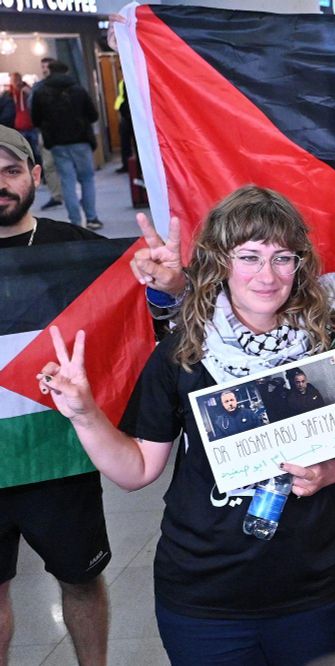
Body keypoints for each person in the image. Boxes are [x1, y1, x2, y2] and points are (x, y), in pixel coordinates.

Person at [37, 185, 335, 666]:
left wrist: (331, 471)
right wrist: (85, 414)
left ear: (301, 264)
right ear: (220, 263)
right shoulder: (184, 352)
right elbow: (138, 469)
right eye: (248, 257)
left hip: (317, 591)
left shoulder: (334, 343)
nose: (267, 275)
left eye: (282, 258)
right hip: (207, 599)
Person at [0, 125, 109, 666]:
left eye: (11, 170)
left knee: (82, 579)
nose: (0, 183)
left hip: (59, 454)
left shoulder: (80, 251)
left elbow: (145, 314)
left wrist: (167, 286)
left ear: (35, 176)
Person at [30, 60, 102, 230]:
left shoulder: (41, 92)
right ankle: (92, 217)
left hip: (57, 144)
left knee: (67, 181)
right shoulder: (78, 89)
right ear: (66, 71)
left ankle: (76, 221)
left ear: (50, 71)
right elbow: (93, 115)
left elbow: (36, 119)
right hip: (81, 141)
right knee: (87, 179)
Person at [31, 57, 63, 210]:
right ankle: (57, 195)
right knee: (49, 165)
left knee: (59, 164)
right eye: (43, 66)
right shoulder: (38, 87)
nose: (44, 69)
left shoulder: (64, 86)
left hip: (60, 132)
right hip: (47, 131)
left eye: (47, 66)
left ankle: (61, 194)